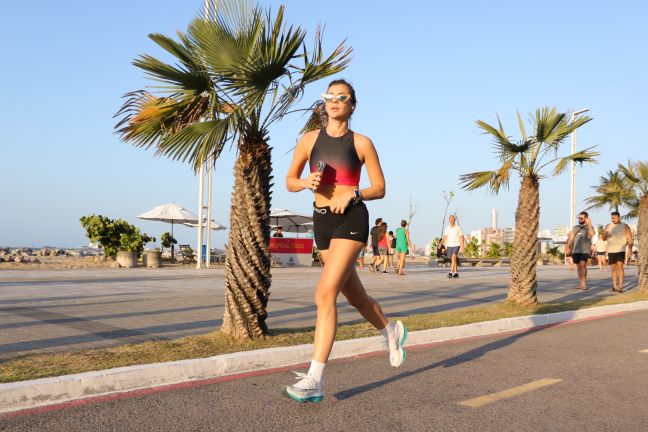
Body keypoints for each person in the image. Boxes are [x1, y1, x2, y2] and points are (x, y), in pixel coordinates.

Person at [284, 79, 407, 403]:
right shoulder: (309, 140)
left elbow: (379, 187)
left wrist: (354, 193)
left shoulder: (362, 143)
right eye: (330, 97)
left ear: (352, 105)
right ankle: (390, 331)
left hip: (352, 218)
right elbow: (289, 180)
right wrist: (303, 182)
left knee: (324, 294)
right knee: (355, 298)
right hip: (322, 221)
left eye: (343, 97)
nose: (335, 101)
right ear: (324, 104)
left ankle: (315, 379)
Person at [602, 211, 633, 292]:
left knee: (620, 267)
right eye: (612, 218)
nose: (613, 220)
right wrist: (605, 235)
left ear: (619, 217)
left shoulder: (625, 226)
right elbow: (603, 238)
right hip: (611, 250)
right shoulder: (608, 226)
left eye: (615, 218)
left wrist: (630, 249)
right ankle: (615, 286)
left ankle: (620, 286)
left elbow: (630, 239)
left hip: (621, 249)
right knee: (613, 268)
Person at [565, 211, 595, 290]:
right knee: (578, 267)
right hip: (575, 250)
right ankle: (581, 283)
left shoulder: (589, 227)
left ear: (586, 218)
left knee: (583, 265)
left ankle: (584, 283)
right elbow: (571, 238)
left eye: (581, 218)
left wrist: (589, 224)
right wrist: (568, 247)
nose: (580, 219)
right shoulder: (575, 227)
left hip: (584, 250)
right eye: (579, 218)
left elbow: (592, 234)